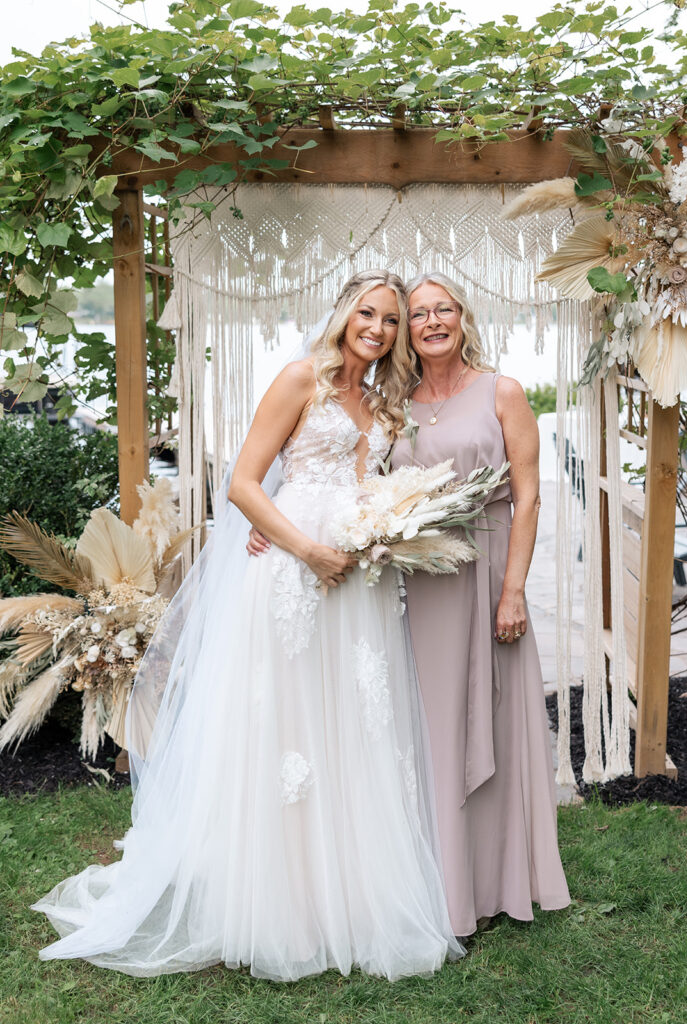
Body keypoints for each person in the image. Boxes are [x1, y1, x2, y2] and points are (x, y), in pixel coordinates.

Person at [32, 270, 462, 981]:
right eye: (368, 314)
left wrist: (381, 532)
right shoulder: (302, 380)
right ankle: (277, 903)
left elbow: (381, 483)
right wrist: (304, 548)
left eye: (391, 321)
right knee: (287, 730)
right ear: (342, 314)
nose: (379, 330)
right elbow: (243, 483)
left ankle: (348, 899)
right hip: (293, 577)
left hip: (358, 587)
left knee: (351, 726)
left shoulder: (386, 399)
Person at [390, 272, 570, 936]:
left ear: (464, 317)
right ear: (407, 332)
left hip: (492, 570)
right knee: (436, 724)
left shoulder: (502, 391)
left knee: (495, 717)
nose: (432, 322)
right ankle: (442, 885)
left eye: (443, 310)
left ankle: (499, 881)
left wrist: (513, 590)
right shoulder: (397, 402)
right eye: (417, 315)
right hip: (431, 579)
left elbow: (528, 496)